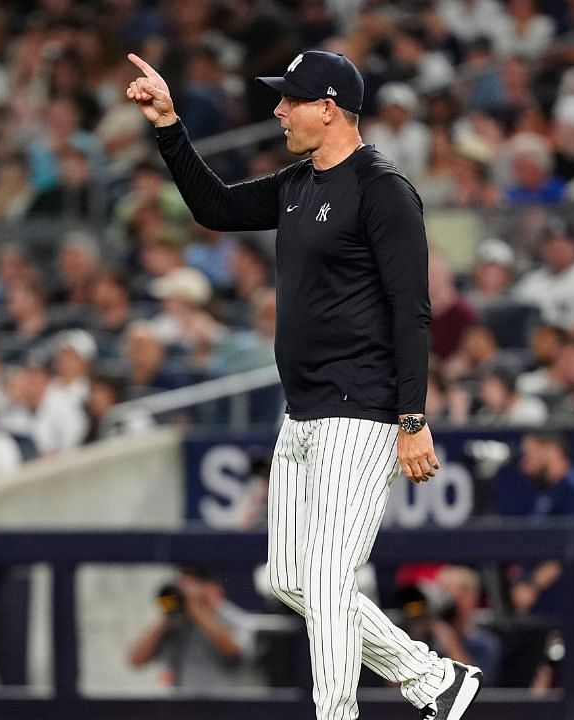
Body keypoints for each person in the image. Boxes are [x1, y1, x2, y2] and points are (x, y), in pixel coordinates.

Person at [127, 50, 483, 720]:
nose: (278, 111)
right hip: (304, 413)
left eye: (290, 100)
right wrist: (169, 125)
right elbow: (215, 208)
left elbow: (412, 310)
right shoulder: (299, 183)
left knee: (325, 577)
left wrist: (412, 418)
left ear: (328, 107)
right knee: (291, 578)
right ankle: (431, 678)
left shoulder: (382, 187)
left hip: (364, 411)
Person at [507, 432, 574, 616]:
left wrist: (533, 586)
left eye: (531, 455)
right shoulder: (544, 492)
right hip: (541, 606)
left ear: (552, 451)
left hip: (568, 603)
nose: (526, 464)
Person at [128, 566, 265, 688]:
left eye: (194, 583)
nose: (188, 590)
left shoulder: (233, 618)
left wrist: (197, 608)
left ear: (213, 589)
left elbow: (234, 650)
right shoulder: (177, 622)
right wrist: (168, 613)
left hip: (227, 710)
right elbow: (136, 660)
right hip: (184, 711)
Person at [512, 219, 574, 331]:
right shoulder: (530, 282)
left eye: (564, 243)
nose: (557, 248)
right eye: (551, 243)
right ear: (542, 248)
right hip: (534, 345)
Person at [473, 366, 547, 426]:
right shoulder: (486, 414)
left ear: (507, 386)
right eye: (484, 391)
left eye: (491, 388)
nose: (485, 395)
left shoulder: (531, 409)